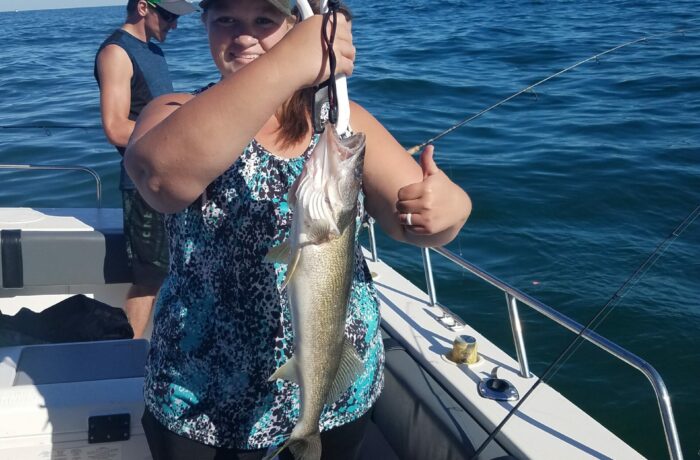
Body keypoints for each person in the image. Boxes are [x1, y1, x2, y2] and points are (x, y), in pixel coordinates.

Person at [124, 0, 472, 458]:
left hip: (335, 394)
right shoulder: (175, 110)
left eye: (265, 20)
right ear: (204, 24)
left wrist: (449, 211)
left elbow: (408, 221)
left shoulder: (342, 123)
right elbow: (161, 179)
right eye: (226, 19)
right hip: (200, 395)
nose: (244, 35)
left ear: (297, 28)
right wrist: (288, 60)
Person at [94, 0, 195, 338]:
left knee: (175, 269)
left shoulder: (152, 50)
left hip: (169, 179)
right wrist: (177, 135)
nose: (173, 25)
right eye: (167, 15)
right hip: (142, 185)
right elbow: (115, 126)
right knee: (149, 278)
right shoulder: (116, 53)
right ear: (142, 7)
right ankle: (124, 354)